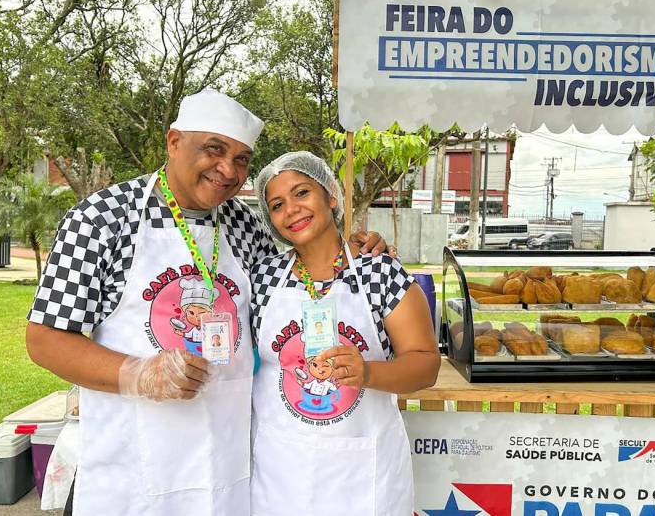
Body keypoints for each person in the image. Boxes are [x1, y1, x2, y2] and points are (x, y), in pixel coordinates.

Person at [25, 90, 386, 516]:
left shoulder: (244, 224)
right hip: (134, 468)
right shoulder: (103, 218)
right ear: (174, 142)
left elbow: (297, 283)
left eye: (241, 159)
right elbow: (44, 339)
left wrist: (356, 250)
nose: (228, 170)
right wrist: (139, 374)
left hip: (226, 471)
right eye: (214, 150)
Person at [250, 151, 441, 515]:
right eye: (277, 205)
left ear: (331, 196)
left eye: (302, 192)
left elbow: (426, 364)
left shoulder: (380, 272)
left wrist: (367, 372)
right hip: (281, 472)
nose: (291, 209)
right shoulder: (262, 278)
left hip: (364, 476)